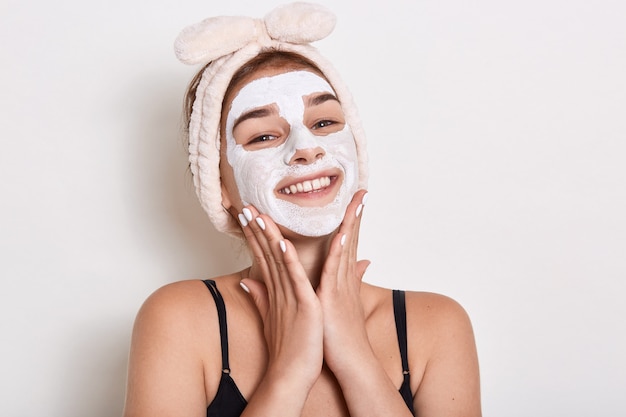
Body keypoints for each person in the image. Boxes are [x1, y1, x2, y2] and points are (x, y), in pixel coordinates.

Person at [122, 3, 481, 417]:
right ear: (218, 185)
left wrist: (354, 356)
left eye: (325, 123)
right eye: (262, 136)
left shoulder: (436, 325)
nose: (305, 148)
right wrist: (290, 370)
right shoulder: (180, 318)